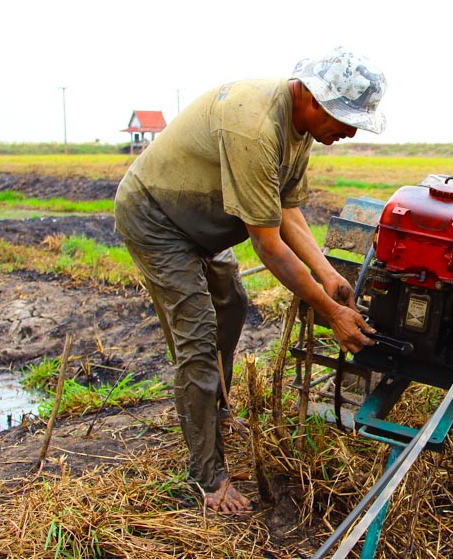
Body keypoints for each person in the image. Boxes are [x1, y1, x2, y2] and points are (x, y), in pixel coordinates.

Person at [113, 46, 385, 514]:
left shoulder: (299, 131)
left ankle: (213, 409)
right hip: (158, 219)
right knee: (197, 339)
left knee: (233, 305)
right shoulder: (255, 125)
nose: (350, 131)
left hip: (203, 221)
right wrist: (330, 311)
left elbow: (287, 211)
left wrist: (329, 278)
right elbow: (269, 245)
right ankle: (209, 477)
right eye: (345, 119)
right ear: (314, 99)